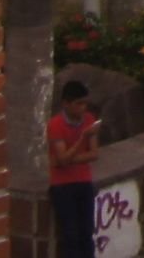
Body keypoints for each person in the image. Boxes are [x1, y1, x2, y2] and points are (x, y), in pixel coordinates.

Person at [45, 75, 101, 256]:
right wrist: (82, 138)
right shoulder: (55, 125)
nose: (82, 109)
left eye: (85, 104)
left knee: (86, 231)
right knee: (71, 233)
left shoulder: (89, 120)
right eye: (78, 104)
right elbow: (62, 160)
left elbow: (93, 154)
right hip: (62, 185)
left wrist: (68, 159)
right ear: (66, 104)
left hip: (83, 181)